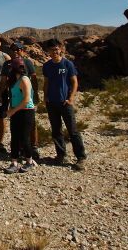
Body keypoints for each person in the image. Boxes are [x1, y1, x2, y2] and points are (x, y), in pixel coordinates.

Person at [42, 40, 87, 169]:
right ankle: (61, 155)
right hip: (52, 102)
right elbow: (46, 83)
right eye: (52, 50)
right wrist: (45, 97)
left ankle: (80, 157)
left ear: (61, 49)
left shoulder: (68, 64)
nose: (54, 52)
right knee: (56, 130)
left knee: (72, 131)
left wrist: (71, 98)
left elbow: (74, 82)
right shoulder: (47, 66)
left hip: (65, 102)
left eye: (56, 49)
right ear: (48, 52)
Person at [5, 41, 40, 160]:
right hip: (15, 100)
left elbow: (34, 80)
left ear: (22, 50)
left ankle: (33, 148)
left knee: (29, 126)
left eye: (17, 49)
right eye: (13, 50)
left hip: (25, 102)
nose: (15, 52)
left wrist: (35, 96)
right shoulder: (8, 65)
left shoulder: (27, 63)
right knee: (16, 130)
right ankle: (19, 151)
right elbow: (5, 82)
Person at [2, 57, 36, 173]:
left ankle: (29, 161)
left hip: (26, 111)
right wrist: (10, 109)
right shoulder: (13, 80)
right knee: (14, 137)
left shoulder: (24, 79)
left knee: (24, 137)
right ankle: (14, 162)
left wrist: (13, 110)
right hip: (16, 110)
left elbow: (26, 99)